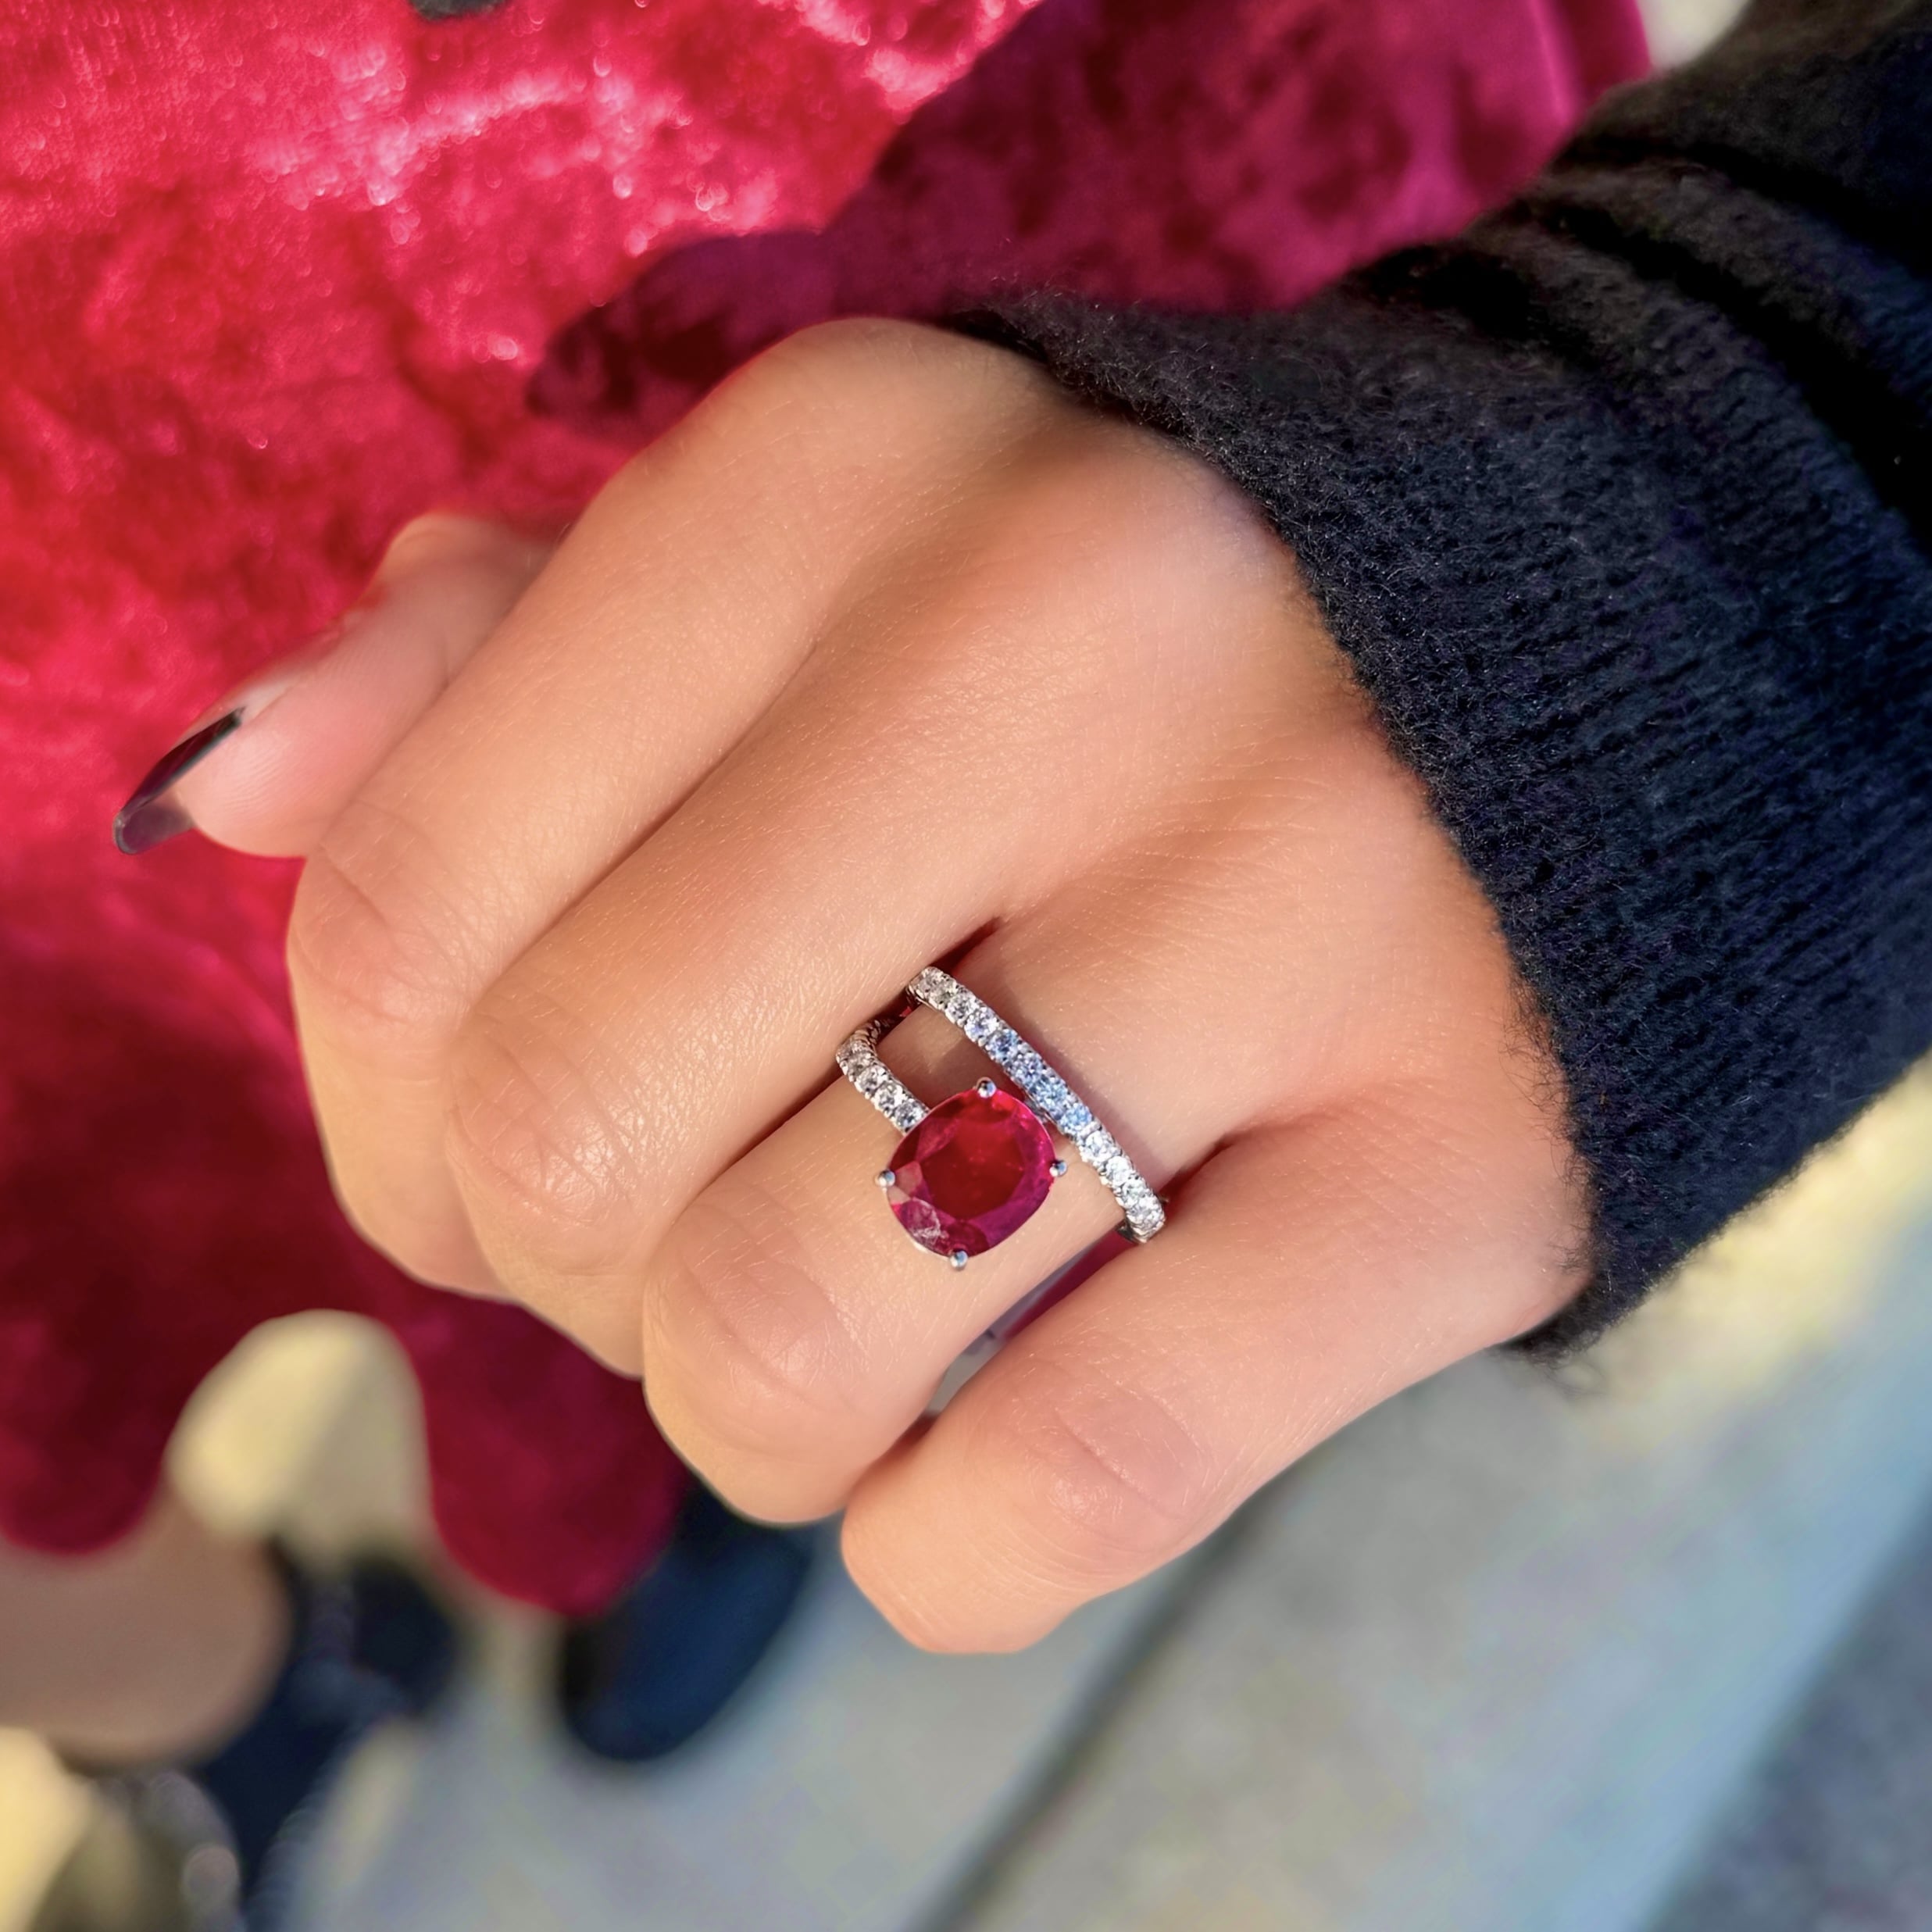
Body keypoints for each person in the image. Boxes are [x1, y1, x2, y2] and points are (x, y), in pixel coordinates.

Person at [7, 0, 1930, 1918]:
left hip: (1033, 262)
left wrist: (1778, 448)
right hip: (65, 689)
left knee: (897, 1109)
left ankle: (711, 1443)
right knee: (472, 1154)